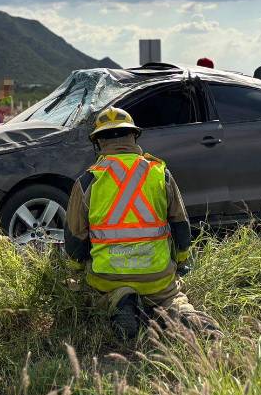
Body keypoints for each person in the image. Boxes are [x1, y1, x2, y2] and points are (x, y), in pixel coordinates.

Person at [64, 106, 220, 341]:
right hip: (156, 276)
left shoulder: (88, 180)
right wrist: (181, 261)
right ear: (133, 136)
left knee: (92, 293)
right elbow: (180, 224)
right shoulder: (159, 173)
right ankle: (184, 315)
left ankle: (119, 299)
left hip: (106, 276)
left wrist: (76, 271)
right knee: (173, 299)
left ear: (98, 143)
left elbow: (75, 239)